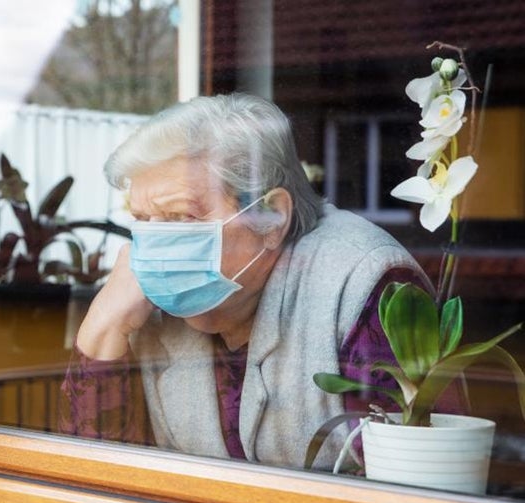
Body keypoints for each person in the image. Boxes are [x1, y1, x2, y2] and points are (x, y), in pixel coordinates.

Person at [58, 93, 436, 469]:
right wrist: (102, 327)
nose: (153, 248)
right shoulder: (147, 298)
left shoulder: (363, 282)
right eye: (142, 219)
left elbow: (415, 491)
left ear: (271, 218)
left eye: (180, 216)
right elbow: (100, 487)